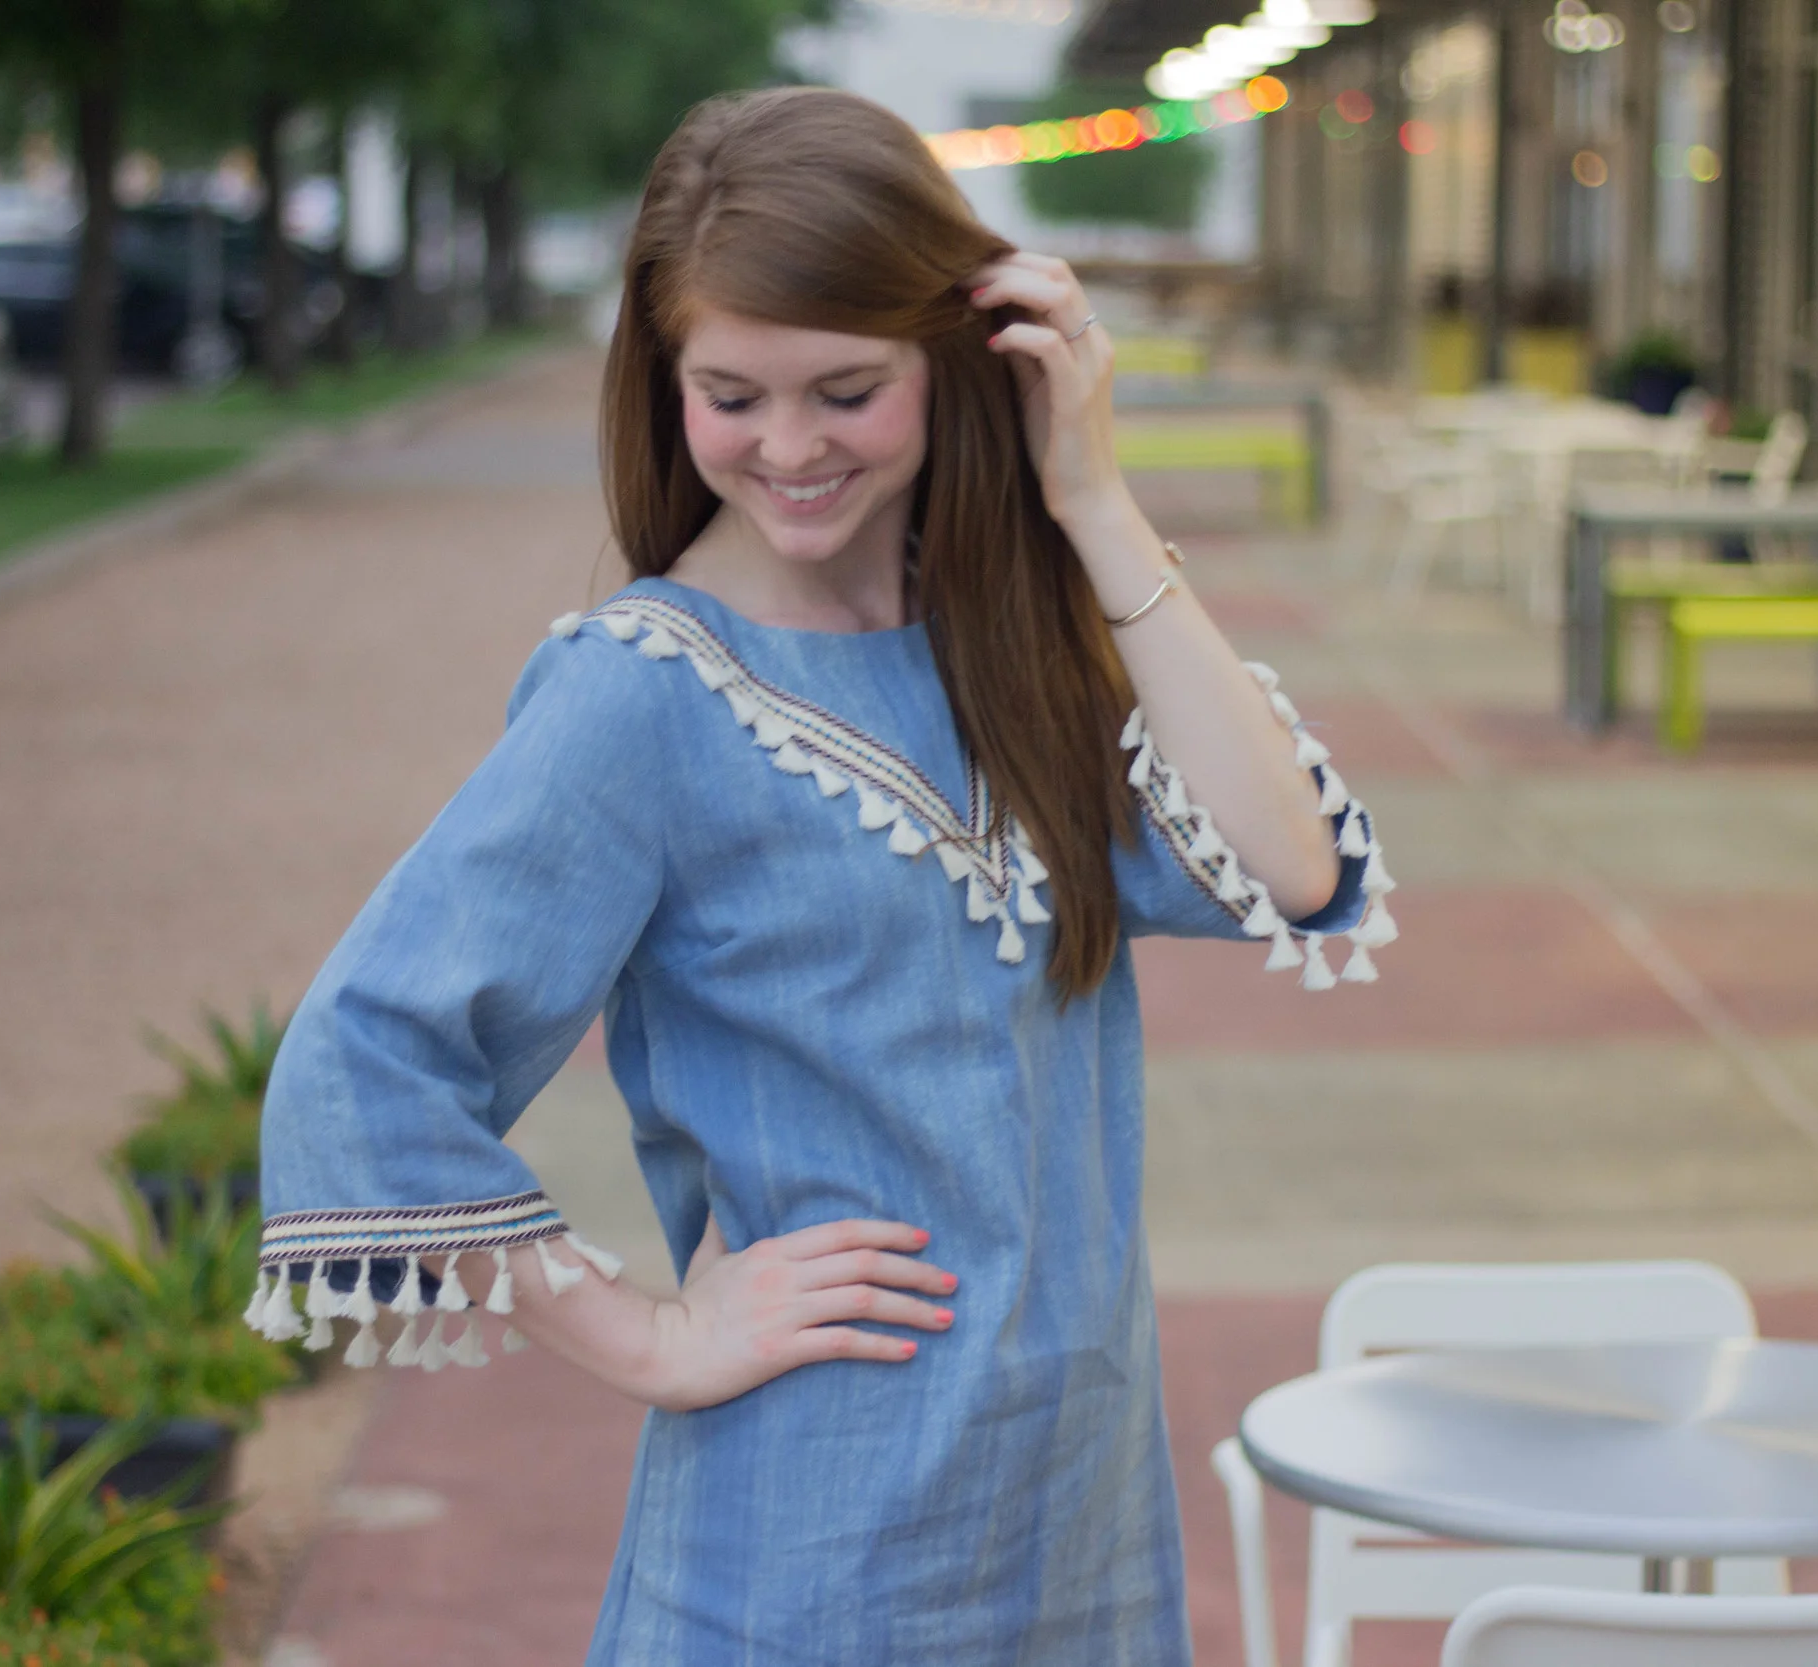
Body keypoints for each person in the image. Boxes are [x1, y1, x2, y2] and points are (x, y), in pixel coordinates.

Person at [245, 85, 1396, 1666]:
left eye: (846, 389)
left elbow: (1292, 862)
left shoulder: (1015, 640)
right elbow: (360, 1062)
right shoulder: (641, 692)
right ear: (666, 387)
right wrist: (647, 1331)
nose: (787, 449)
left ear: (956, 355)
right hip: (806, 1555)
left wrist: (1095, 499)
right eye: (731, 394)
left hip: (1076, 1528)